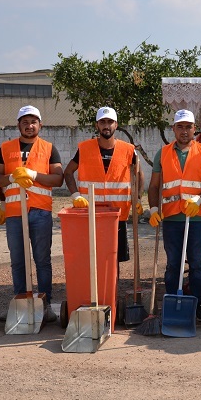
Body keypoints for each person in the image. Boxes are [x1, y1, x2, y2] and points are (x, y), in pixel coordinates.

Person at [0, 105, 63, 323]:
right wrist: (12, 178)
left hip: (40, 212)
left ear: (40, 125)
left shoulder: (49, 148)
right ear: (18, 125)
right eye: (25, 122)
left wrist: (33, 174)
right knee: (18, 260)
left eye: (33, 122)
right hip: (14, 213)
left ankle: (46, 305)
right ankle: (20, 305)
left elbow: (57, 179)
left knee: (42, 260)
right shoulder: (6, 148)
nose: (29, 126)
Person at [147, 110, 201, 321]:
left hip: (196, 218)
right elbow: (154, 187)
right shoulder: (163, 153)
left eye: (188, 126)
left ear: (194, 129)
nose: (184, 131)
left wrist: (197, 200)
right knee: (173, 265)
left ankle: (199, 305)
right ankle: (171, 303)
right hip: (171, 218)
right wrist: (153, 209)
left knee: (196, 264)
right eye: (180, 126)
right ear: (173, 129)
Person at [63, 107, 143, 277]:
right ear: (97, 125)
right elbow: (68, 172)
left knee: (113, 258)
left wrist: (138, 199)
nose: (106, 126)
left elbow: (139, 173)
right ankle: (92, 291)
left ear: (116, 125)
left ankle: (111, 292)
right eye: (102, 122)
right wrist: (75, 195)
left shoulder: (128, 150)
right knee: (90, 255)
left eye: (110, 122)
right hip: (90, 213)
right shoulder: (84, 148)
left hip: (117, 215)